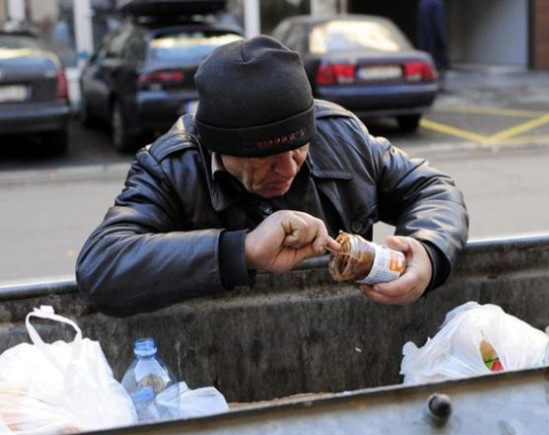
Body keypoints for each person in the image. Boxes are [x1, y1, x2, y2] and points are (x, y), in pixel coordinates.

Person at [75, 36, 469, 317]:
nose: (289, 169)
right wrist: (240, 250)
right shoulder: (170, 169)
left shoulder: (340, 135)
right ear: (218, 147)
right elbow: (102, 267)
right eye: (265, 158)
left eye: (299, 149)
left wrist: (430, 252)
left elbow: (431, 187)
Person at [417, 0, 450, 86]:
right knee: (438, 68)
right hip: (436, 46)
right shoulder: (436, 4)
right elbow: (438, 25)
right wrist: (443, 42)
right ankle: (439, 86)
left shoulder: (422, 3)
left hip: (426, 44)